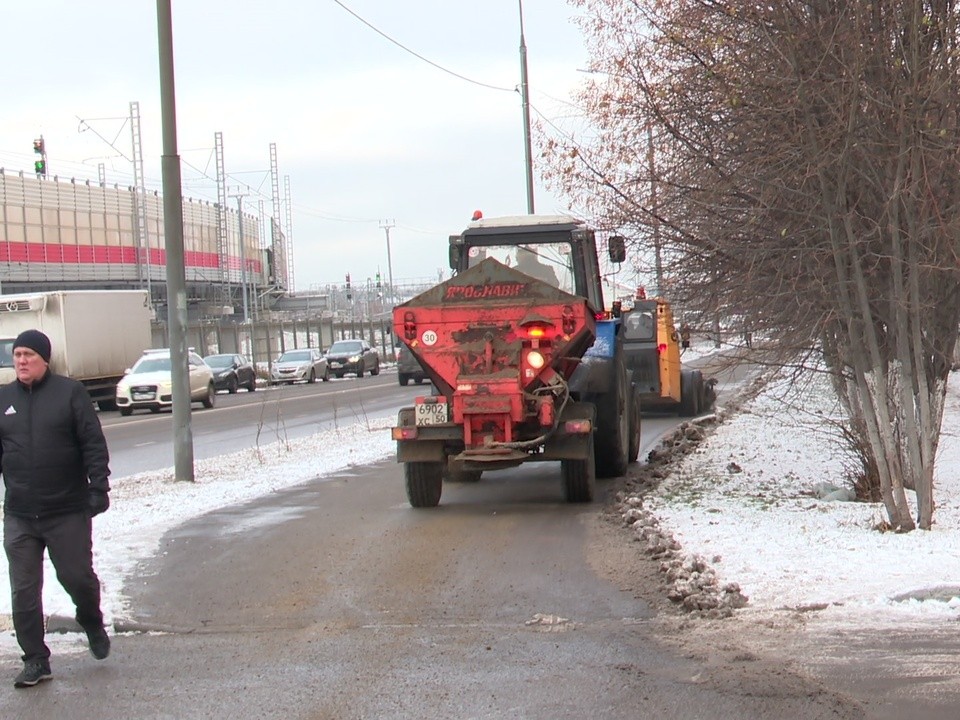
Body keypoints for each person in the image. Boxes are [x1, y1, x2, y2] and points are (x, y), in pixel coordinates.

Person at [0, 329, 111, 688]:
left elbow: (93, 443)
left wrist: (99, 487)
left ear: (45, 359)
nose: (21, 361)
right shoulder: (3, 399)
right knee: (24, 591)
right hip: (20, 514)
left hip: (66, 510)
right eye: (17, 355)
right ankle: (35, 659)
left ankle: (91, 620)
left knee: (77, 577)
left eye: (28, 355)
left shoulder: (70, 393)